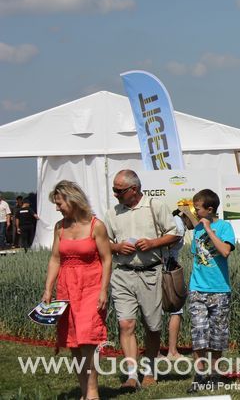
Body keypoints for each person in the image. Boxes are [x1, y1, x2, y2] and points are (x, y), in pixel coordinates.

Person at [105, 169, 179, 390]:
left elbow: (174, 233)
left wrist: (153, 243)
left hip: (151, 273)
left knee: (152, 326)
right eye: (114, 190)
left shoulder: (155, 205)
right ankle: (131, 375)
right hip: (122, 273)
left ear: (134, 189)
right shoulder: (112, 213)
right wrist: (116, 247)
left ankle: (150, 369)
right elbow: (104, 242)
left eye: (119, 190)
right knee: (125, 323)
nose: (115, 194)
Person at [41, 180, 112, 400]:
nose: (57, 208)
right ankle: (83, 389)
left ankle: (92, 391)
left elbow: (107, 258)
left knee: (89, 338)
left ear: (72, 200)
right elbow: (55, 259)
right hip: (66, 287)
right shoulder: (59, 227)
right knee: (72, 339)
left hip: (91, 286)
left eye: (59, 203)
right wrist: (48, 289)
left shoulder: (96, 225)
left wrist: (103, 290)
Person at [185, 189, 235, 393]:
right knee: (199, 332)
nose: (195, 212)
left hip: (220, 290)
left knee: (217, 334)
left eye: (198, 208)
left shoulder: (224, 227)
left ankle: (214, 373)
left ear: (210, 209)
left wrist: (209, 230)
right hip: (198, 289)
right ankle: (199, 374)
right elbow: (198, 256)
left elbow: (224, 251)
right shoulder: (196, 229)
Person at [165, 207, 188, 360]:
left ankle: (158, 351)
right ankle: (172, 351)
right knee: (176, 308)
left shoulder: (173, 221)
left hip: (161, 265)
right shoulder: (178, 224)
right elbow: (170, 243)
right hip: (168, 267)